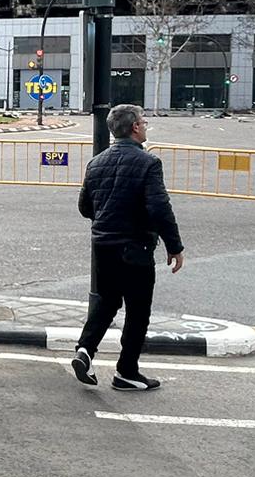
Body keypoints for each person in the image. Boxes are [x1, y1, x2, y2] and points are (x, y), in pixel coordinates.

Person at [71, 103, 186, 393]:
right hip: (135, 246)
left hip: (103, 244)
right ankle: (126, 371)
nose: (146, 126)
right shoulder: (148, 163)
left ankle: (85, 350)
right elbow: (159, 207)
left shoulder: (96, 163)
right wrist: (174, 246)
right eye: (144, 122)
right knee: (137, 311)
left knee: (107, 302)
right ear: (134, 127)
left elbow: (85, 207)